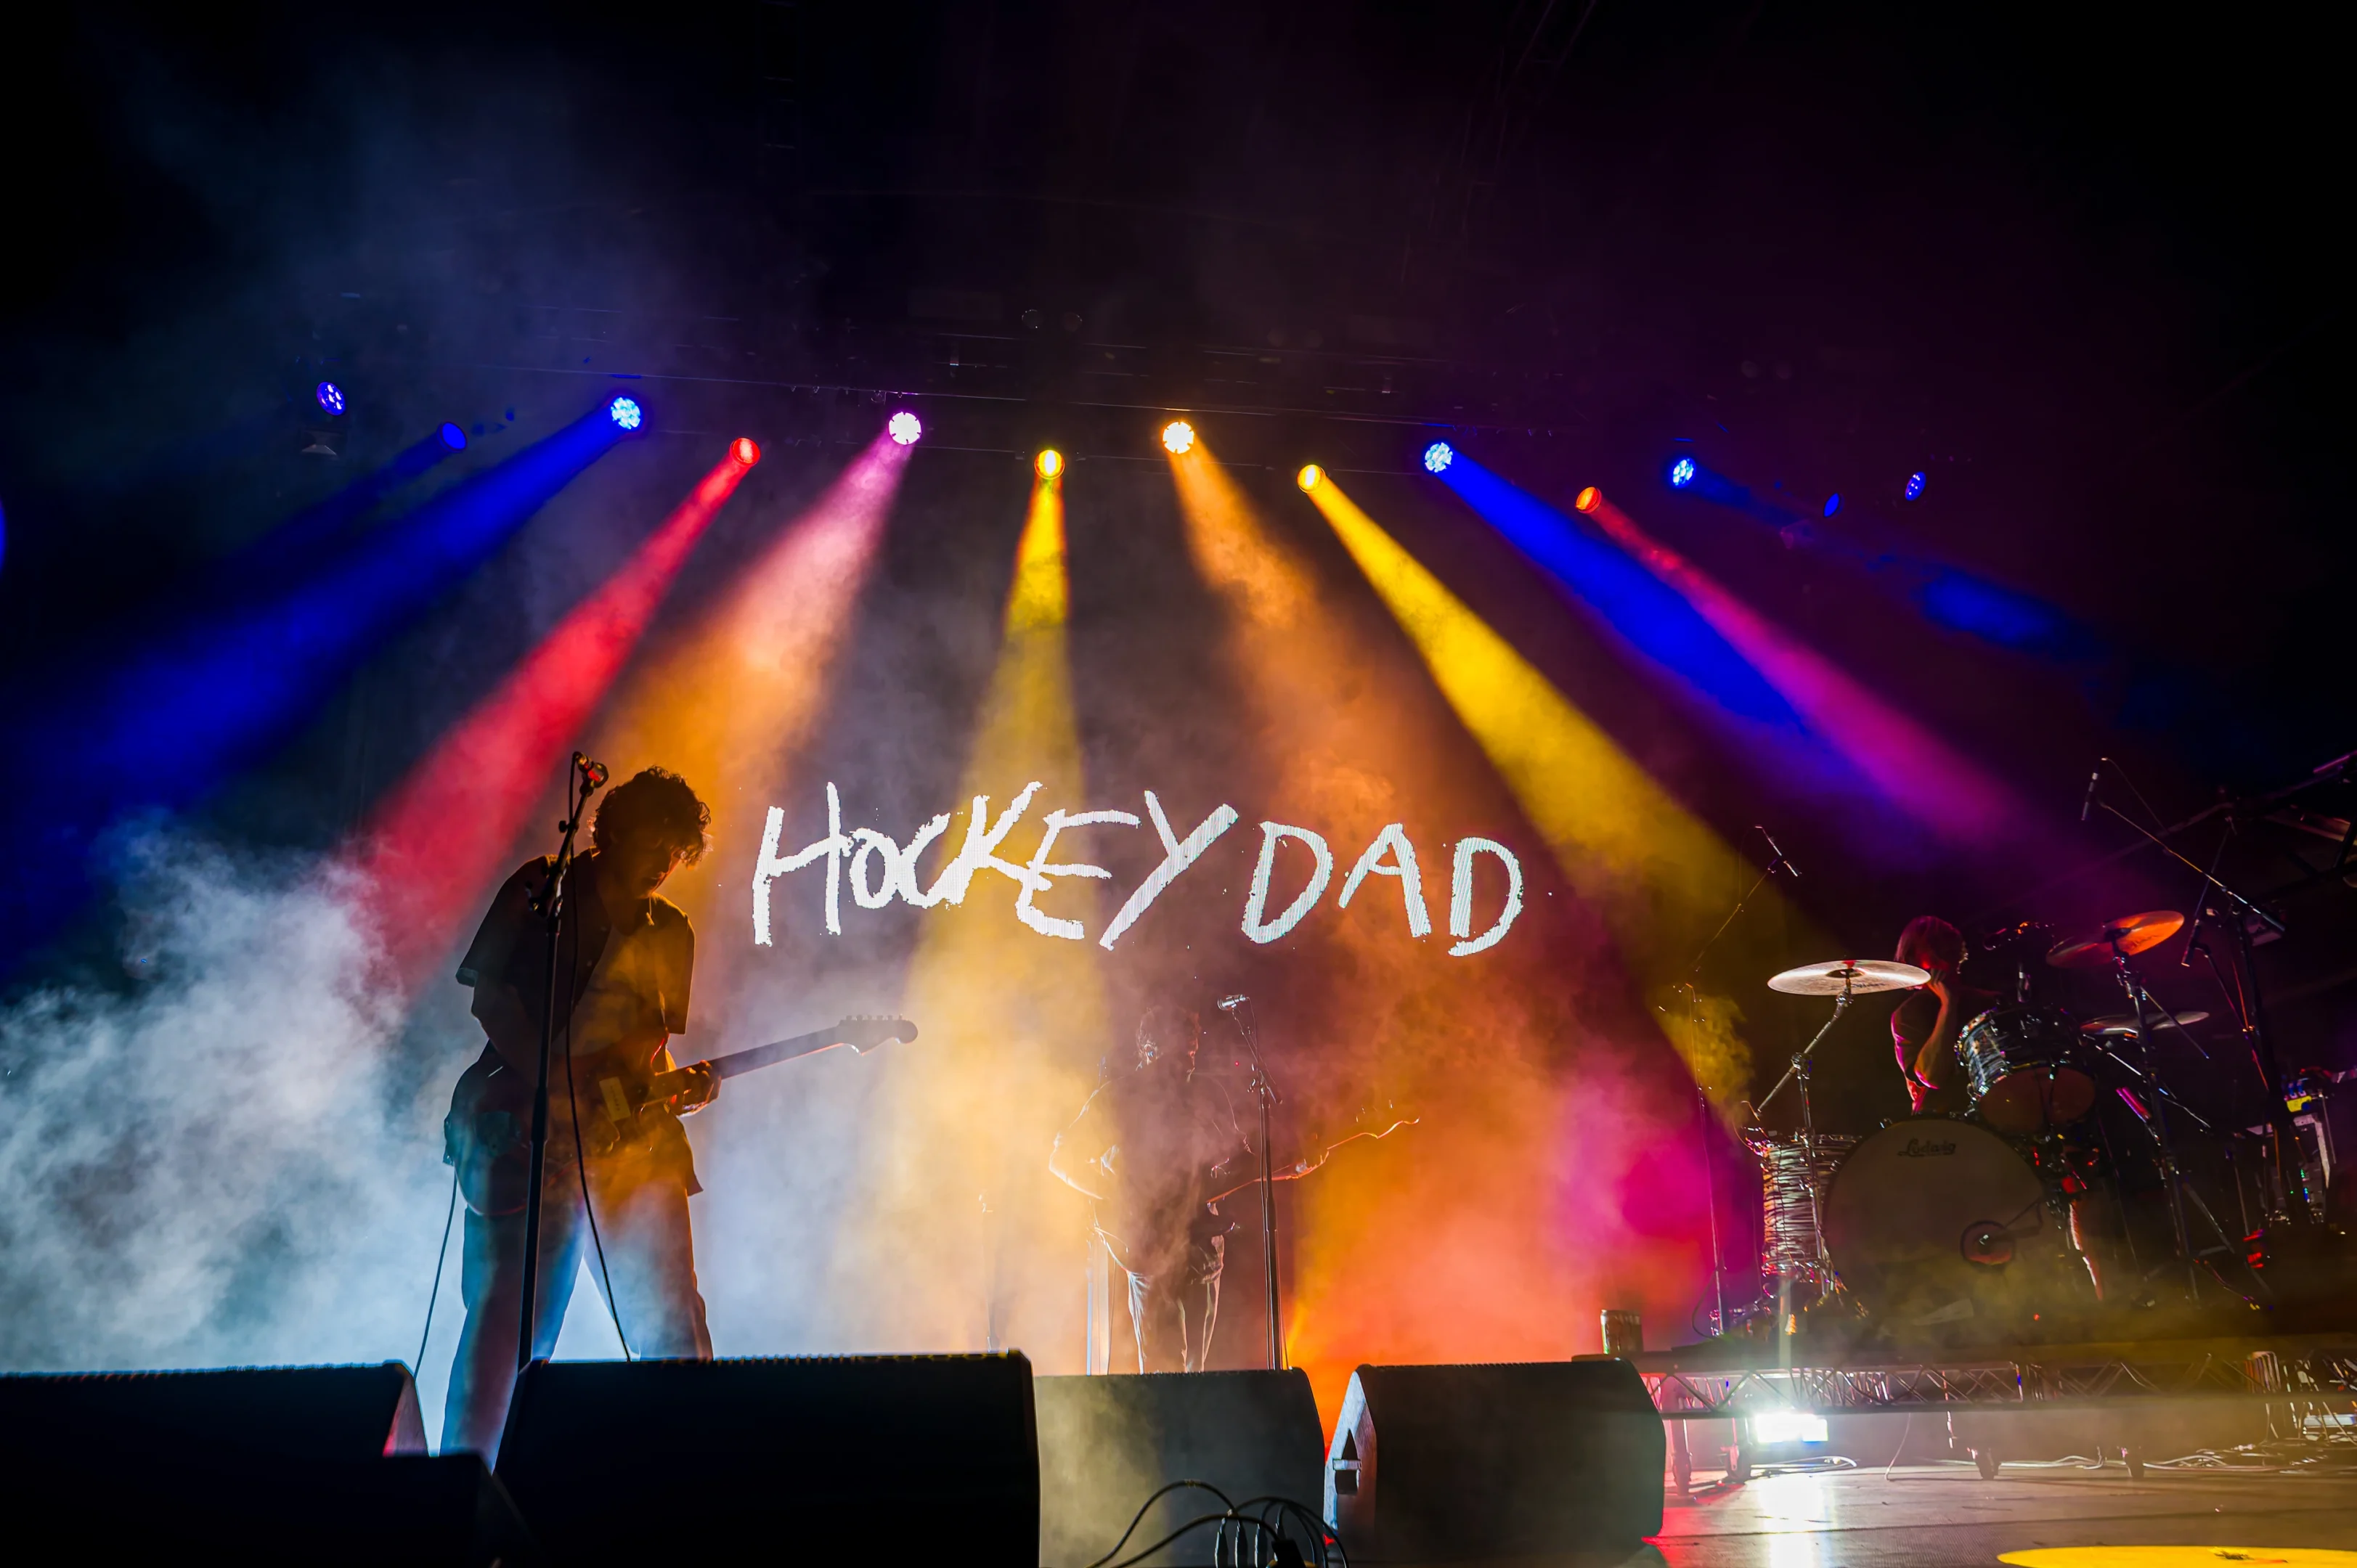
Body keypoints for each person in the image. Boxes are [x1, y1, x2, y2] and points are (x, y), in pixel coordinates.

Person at [441, 767, 720, 1457]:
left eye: (676, 852)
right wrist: (555, 1088)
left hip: (627, 1145)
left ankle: (700, 1484)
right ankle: (460, 1496)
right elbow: (491, 1001)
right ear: (616, 827)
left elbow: (642, 1051)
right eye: (656, 841)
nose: (663, 864)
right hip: (527, 1135)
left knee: (671, 1327)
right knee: (508, 1332)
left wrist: (676, 1089)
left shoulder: (671, 931)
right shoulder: (544, 889)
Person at [1050, 1004, 1250, 1373]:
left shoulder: (1208, 1093)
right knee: (1162, 1374)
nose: (1189, 1062)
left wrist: (1272, 1164)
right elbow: (1062, 1159)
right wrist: (1117, 1195)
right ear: (1151, 1050)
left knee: (1197, 1375)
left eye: (1192, 1052)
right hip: (1148, 1250)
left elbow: (1238, 1161)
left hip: (1202, 1252)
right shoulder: (1120, 1097)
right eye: (1180, 1053)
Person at [1888, 915, 1997, 1116]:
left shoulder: (1991, 1001)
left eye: (1947, 943)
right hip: (1944, 1127)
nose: (1944, 951)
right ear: (1912, 958)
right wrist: (1948, 1006)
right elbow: (1932, 1076)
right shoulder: (1910, 1013)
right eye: (1934, 944)